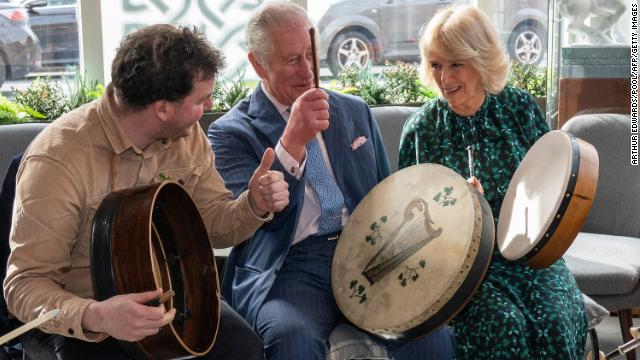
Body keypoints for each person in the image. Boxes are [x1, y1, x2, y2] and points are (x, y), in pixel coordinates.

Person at [3, 24, 290, 360]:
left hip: (174, 296)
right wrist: (96, 315)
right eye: (201, 100)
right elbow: (23, 287)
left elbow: (214, 225)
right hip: (88, 315)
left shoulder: (188, 135)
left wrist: (253, 205)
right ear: (163, 109)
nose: (211, 104)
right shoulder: (58, 159)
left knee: (242, 347)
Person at [207, 2, 453, 359]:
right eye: (292, 59)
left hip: (369, 252)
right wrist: (291, 142)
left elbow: (387, 194)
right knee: (291, 341)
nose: (307, 71)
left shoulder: (353, 110)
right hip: (292, 266)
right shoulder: (230, 133)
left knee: (432, 336)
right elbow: (245, 222)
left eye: (310, 54)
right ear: (258, 64)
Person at [398, 6, 587, 360]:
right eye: (435, 64)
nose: (443, 77)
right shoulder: (420, 130)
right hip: (464, 266)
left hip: (529, 252)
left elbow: (549, 190)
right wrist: (462, 211)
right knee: (505, 325)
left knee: (556, 321)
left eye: (456, 64)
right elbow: (409, 222)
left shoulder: (519, 109)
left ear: (480, 61)